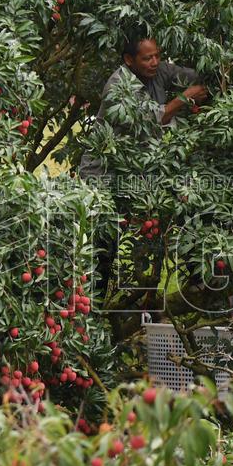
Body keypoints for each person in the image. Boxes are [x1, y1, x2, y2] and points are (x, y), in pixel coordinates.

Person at [78, 35, 208, 302]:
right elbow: (151, 119)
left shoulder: (159, 71)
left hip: (138, 172)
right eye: (147, 58)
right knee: (103, 245)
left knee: (186, 202)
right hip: (103, 177)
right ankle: (91, 309)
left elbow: (196, 76)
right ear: (129, 60)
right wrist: (185, 99)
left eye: (156, 56)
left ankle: (199, 278)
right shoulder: (117, 86)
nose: (154, 62)